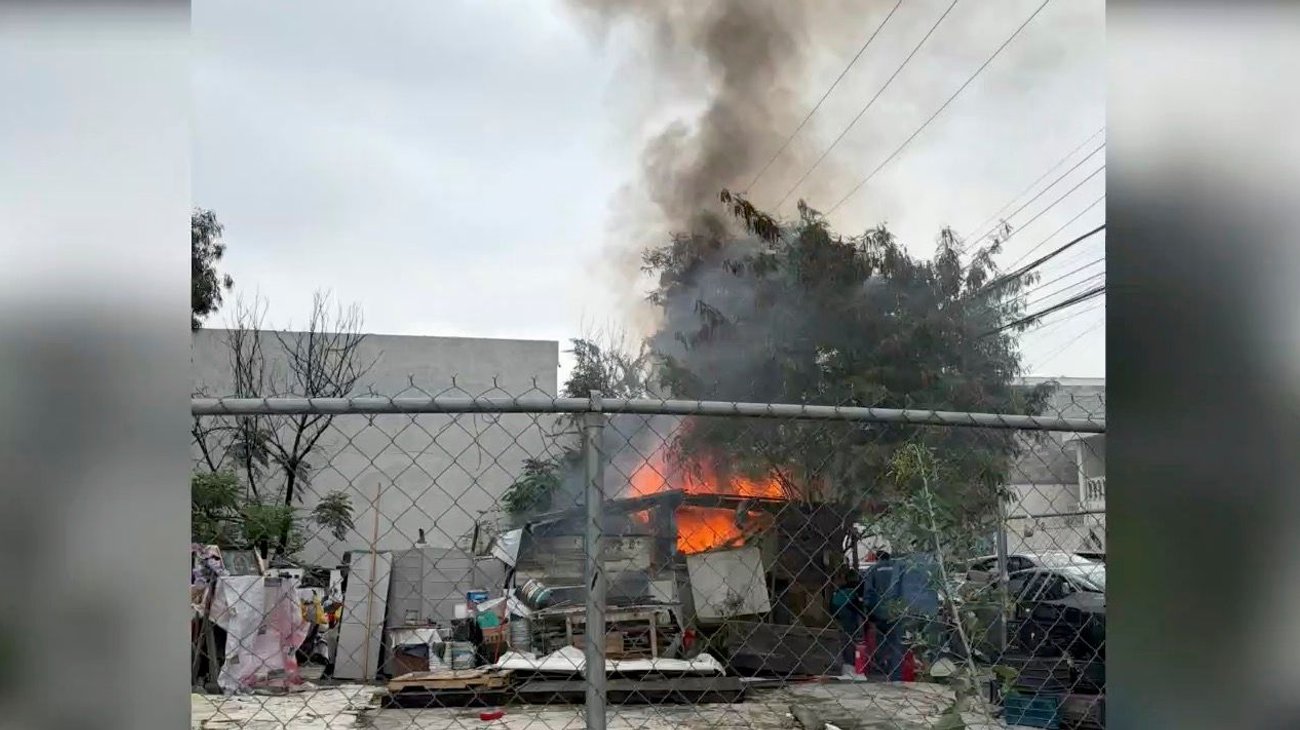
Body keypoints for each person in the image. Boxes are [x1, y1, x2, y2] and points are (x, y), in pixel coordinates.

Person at [830, 569, 865, 671]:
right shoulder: (857, 588)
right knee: (850, 637)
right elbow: (858, 605)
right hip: (847, 611)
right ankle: (850, 661)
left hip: (836, 609)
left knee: (843, 637)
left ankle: (845, 660)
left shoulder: (840, 589)